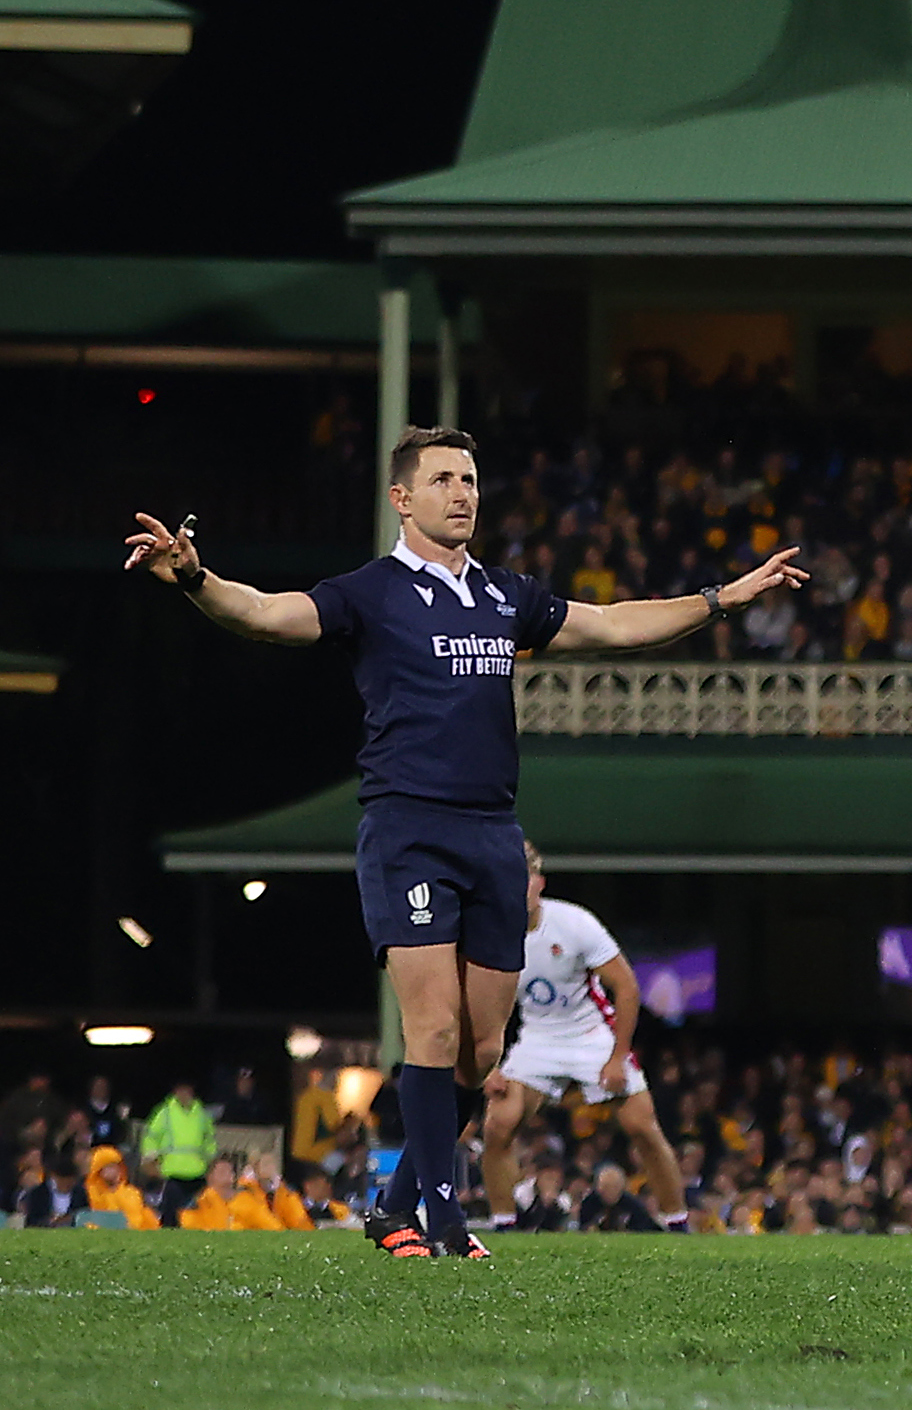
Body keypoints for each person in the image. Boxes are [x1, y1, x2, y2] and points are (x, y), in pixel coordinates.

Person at [124, 426, 805, 1258]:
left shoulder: (503, 594)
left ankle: (393, 1203)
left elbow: (616, 625)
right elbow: (268, 615)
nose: (464, 492)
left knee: (481, 1054)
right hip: (407, 826)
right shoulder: (370, 592)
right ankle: (443, 1221)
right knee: (434, 1032)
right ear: (402, 498)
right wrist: (195, 577)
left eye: (472, 479)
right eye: (444, 478)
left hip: (492, 834)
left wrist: (720, 599)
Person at [477, 853, 687, 1226]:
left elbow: (626, 987)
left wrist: (617, 1057)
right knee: (497, 1126)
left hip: (591, 1033)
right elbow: (485, 1004)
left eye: (525, 878)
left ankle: (677, 1221)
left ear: (539, 883)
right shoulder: (489, 932)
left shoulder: (574, 923)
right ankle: (505, 1226)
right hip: (538, 1036)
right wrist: (490, 1067)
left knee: (642, 1128)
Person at [135, 1082, 208, 1227]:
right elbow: (151, 1137)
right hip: (172, 1172)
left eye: (187, 1090)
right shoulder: (165, 1112)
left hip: (198, 1172)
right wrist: (150, 1158)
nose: (184, 1093)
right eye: (181, 1090)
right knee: (171, 1216)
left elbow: (209, 1139)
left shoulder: (201, 1114)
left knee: (198, 1214)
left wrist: (209, 1160)